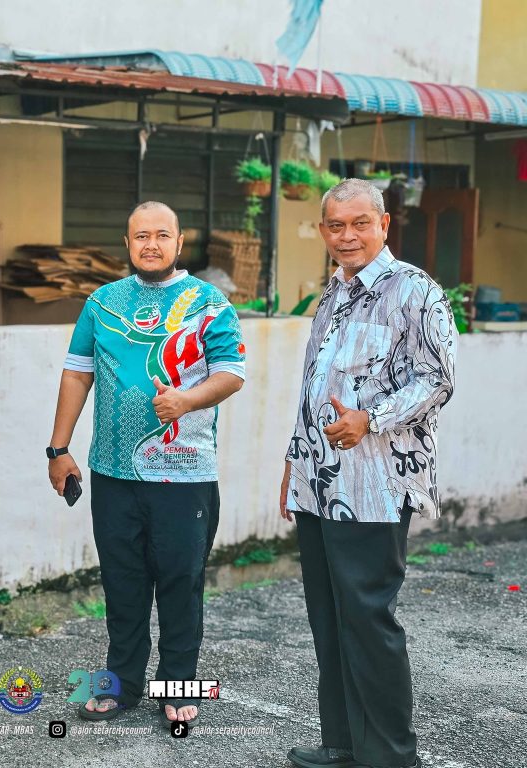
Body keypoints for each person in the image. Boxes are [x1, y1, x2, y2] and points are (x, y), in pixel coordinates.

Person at [47, 201, 246, 727]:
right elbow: (76, 375)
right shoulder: (101, 302)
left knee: (181, 581)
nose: (151, 244)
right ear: (128, 242)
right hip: (113, 472)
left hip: (184, 473)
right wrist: (58, 449)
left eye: (162, 235)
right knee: (122, 582)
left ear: (180, 243)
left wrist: (186, 400)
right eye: (141, 236)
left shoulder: (210, 303)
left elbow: (231, 373)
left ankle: (179, 688)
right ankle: (120, 684)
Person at [280, 179, 456, 768]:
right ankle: (343, 744)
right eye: (335, 225)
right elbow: (313, 388)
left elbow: (438, 378)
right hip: (317, 482)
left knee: (368, 621)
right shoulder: (332, 294)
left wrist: (371, 419)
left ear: (384, 225)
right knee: (329, 622)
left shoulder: (415, 292)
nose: (346, 235)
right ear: (324, 231)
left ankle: (391, 755)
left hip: (374, 486)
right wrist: (293, 462)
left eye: (359, 223)